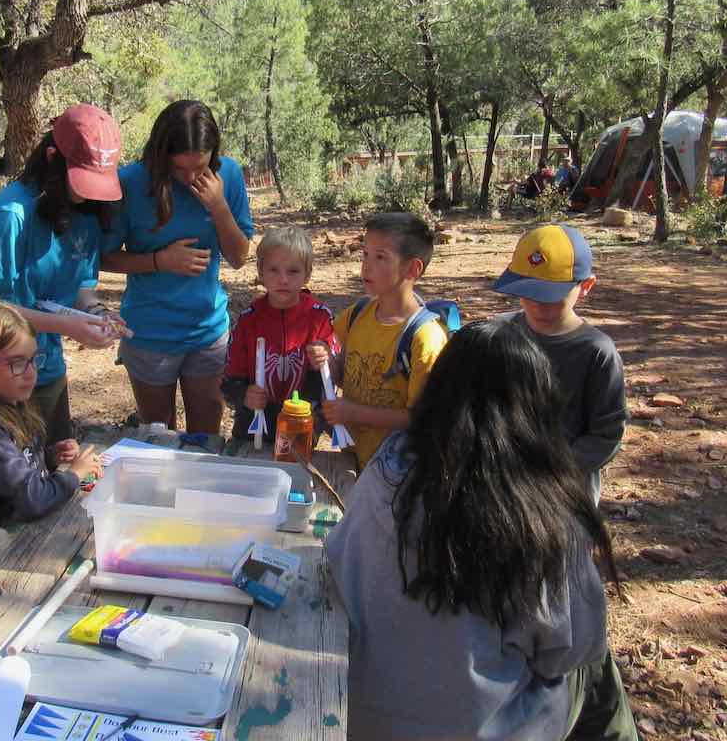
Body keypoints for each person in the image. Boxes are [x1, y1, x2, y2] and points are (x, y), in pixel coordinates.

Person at [324, 319, 638, 741]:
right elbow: (575, 647)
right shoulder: (544, 514)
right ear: (538, 407)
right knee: (595, 669)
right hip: (485, 728)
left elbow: (338, 562)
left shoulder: (386, 473)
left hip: (362, 717)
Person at [0, 104, 128, 443]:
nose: (89, 194)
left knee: (55, 469)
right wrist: (67, 326)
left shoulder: (88, 214)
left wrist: (97, 314)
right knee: (4, 482)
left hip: (44, 369)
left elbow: (82, 289)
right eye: (82, 181)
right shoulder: (10, 216)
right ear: (51, 159)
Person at [101, 99, 254, 434]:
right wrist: (160, 260)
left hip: (207, 332)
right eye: (179, 169)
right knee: (159, 437)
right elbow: (105, 256)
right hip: (150, 334)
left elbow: (240, 257)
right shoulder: (129, 182)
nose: (190, 178)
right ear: (161, 156)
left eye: (199, 168)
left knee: (206, 438)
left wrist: (219, 206)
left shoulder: (228, 174)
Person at [0, 304, 103, 556]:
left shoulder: (10, 402)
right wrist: (73, 475)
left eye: (32, 360)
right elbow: (31, 499)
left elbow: (18, 465)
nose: (30, 373)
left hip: (25, 533)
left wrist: (49, 456)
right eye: (16, 364)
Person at [493, 223, 628, 504]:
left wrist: (553, 471)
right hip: (502, 485)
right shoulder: (500, 333)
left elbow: (606, 434)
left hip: (565, 492)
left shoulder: (596, 351)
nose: (538, 306)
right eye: (529, 293)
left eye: (552, 296)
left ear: (586, 285)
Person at [321, 212, 448, 469]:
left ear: (412, 269)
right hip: (352, 457)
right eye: (365, 254)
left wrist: (353, 413)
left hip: (397, 472)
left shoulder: (426, 339)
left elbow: (421, 418)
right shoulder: (358, 313)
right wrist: (326, 360)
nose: (367, 266)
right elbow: (342, 370)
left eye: (381, 257)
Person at [221, 226, 336, 439]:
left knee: (295, 470)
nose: (283, 279)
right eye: (274, 270)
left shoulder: (319, 317)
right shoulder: (249, 321)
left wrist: (326, 357)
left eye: (293, 271)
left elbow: (334, 374)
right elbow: (229, 380)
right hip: (253, 423)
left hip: (300, 424)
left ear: (307, 274)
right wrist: (244, 395)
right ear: (261, 272)